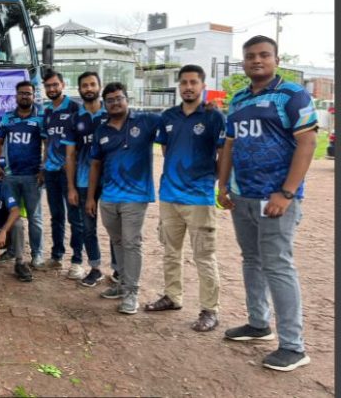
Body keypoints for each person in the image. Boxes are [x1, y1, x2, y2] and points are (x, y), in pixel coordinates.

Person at [217, 35, 317, 372]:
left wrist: (286, 193)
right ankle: (258, 324)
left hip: (276, 199)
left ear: (275, 59)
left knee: (278, 265)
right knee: (252, 260)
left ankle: (293, 346)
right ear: (243, 62)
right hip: (243, 195)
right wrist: (223, 185)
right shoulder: (239, 99)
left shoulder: (292, 94)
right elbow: (230, 145)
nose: (256, 60)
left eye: (263, 55)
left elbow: (307, 142)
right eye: (250, 56)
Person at [144, 65, 225, 333]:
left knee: (204, 255)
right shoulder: (169, 116)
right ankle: (172, 296)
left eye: (193, 82)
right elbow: (166, 148)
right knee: (170, 251)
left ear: (202, 85)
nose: (188, 87)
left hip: (200, 197)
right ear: (179, 86)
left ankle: (209, 310)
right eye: (184, 83)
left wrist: (215, 181)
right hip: (169, 194)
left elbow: (224, 153)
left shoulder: (214, 117)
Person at [86, 82, 161, 314]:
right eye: (110, 100)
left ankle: (132, 293)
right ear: (104, 104)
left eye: (119, 98)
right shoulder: (101, 130)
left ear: (127, 99)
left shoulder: (145, 122)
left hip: (135, 196)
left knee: (131, 243)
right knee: (117, 242)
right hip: (108, 197)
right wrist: (91, 197)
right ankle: (121, 284)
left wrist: (207, 108)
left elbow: (175, 119)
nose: (115, 103)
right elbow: (95, 165)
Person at [0, 80, 46, 269]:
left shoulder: (40, 118)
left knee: (35, 217)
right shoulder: (7, 118)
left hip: (33, 176)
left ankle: (37, 254)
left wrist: (43, 168)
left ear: (33, 96)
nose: (25, 96)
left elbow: (47, 145)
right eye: (22, 93)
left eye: (28, 93)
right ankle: (13, 250)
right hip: (11, 175)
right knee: (12, 216)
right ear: (16, 96)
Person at [65, 71, 110, 287]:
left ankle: (119, 270)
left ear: (99, 87)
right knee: (87, 227)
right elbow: (70, 155)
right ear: (80, 89)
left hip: (111, 182)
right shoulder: (75, 119)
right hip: (83, 182)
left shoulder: (112, 112)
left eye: (93, 84)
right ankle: (95, 268)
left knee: (114, 228)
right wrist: (71, 187)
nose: (89, 88)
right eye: (85, 85)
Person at [41, 70, 85, 276]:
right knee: (56, 216)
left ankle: (77, 261)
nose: (51, 89)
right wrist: (43, 167)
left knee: (75, 217)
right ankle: (56, 256)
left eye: (54, 85)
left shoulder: (76, 108)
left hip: (71, 173)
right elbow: (46, 141)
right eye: (48, 86)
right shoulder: (47, 111)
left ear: (63, 85)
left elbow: (81, 142)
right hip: (50, 172)